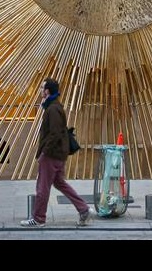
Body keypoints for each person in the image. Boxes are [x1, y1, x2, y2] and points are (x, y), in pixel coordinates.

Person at [20, 78, 95, 227]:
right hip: (58, 153)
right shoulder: (54, 106)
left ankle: (39, 218)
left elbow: (54, 134)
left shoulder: (53, 109)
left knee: (42, 187)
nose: (40, 90)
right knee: (60, 183)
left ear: (47, 91)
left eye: (42, 88)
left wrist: (44, 154)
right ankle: (83, 209)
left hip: (52, 154)